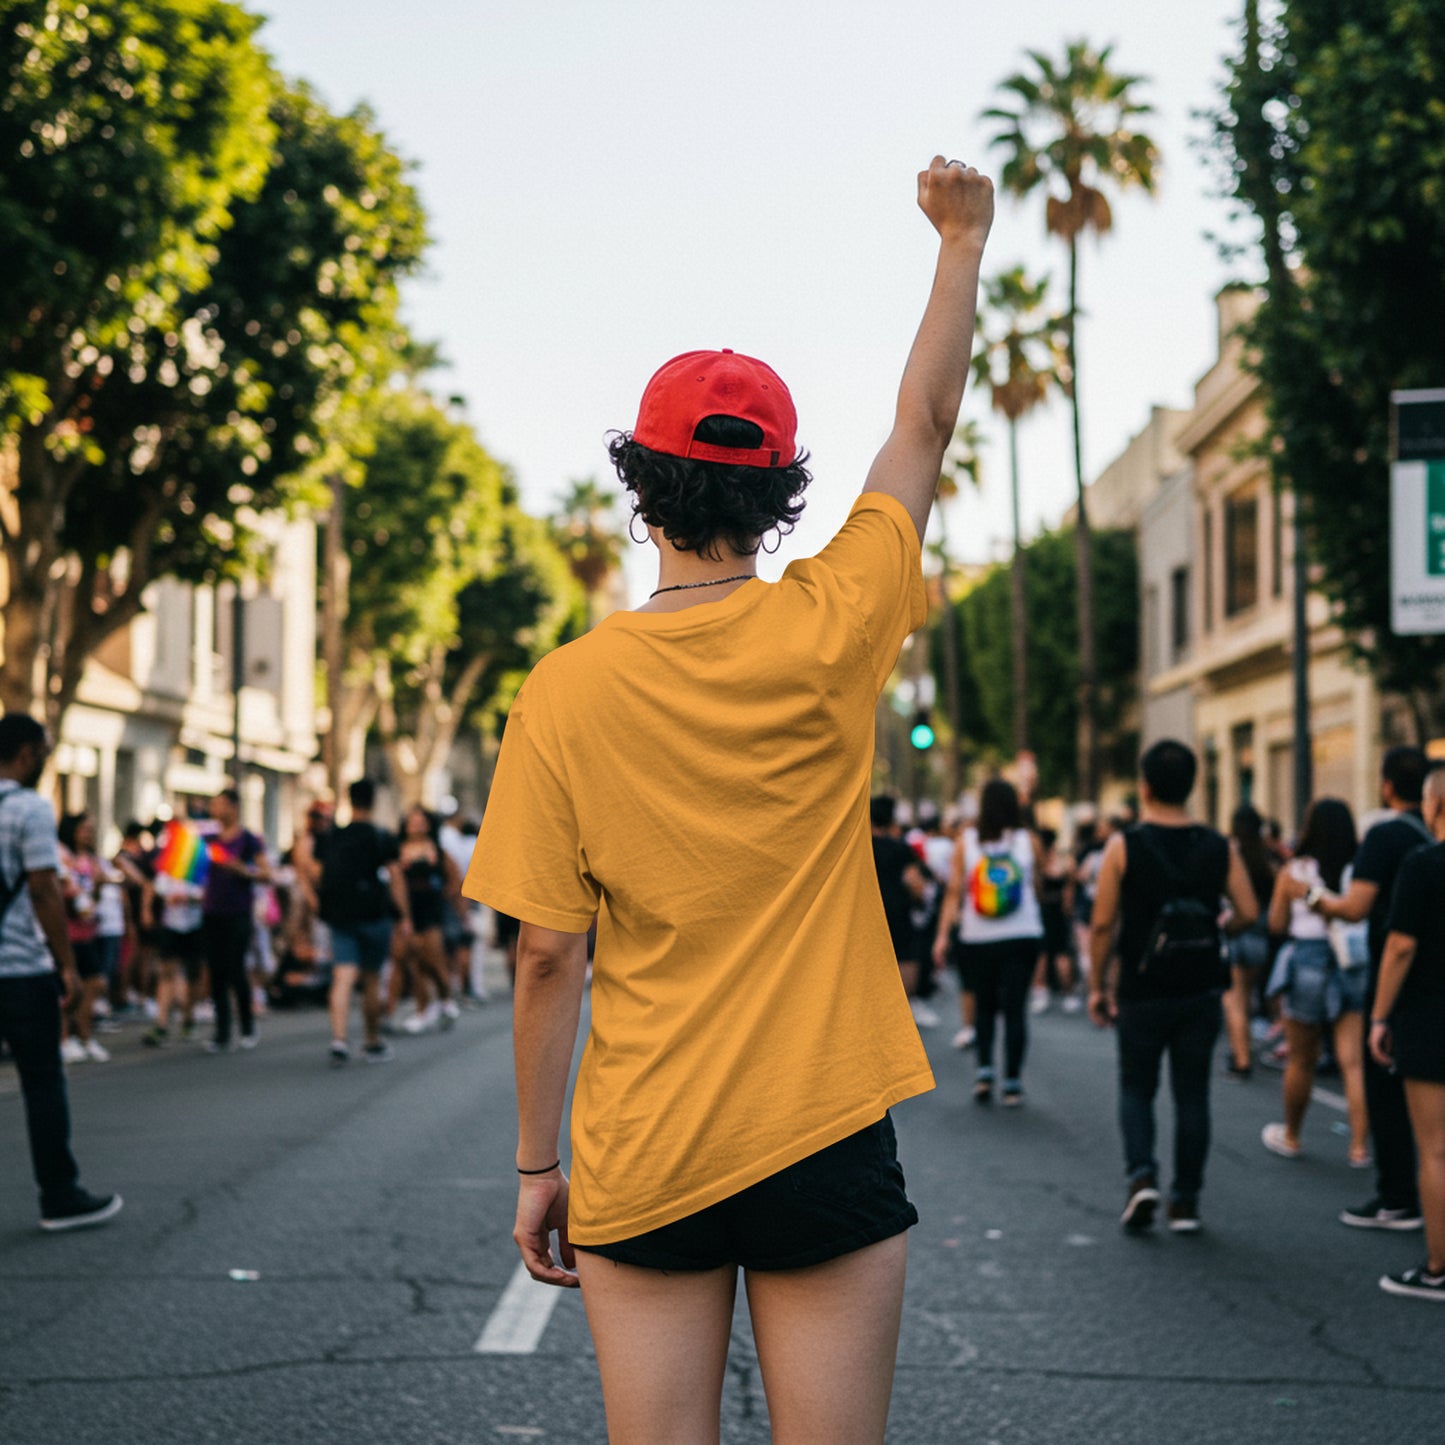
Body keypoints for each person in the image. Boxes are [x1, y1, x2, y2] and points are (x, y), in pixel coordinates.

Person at [463, 157, 992, 1442]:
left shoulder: (565, 690)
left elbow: (546, 954)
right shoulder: (835, 621)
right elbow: (919, 427)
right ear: (776, 492)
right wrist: (960, 241)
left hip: (648, 1147)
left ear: (640, 485)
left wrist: (540, 1165)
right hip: (820, 1125)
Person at [1088, 739, 1259, 1234]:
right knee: (1192, 1094)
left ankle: (1142, 1176)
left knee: (1136, 1087)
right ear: (1191, 786)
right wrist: (1213, 928)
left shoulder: (1124, 846)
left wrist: (1098, 985)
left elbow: (1102, 925)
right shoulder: (1218, 845)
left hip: (1142, 989)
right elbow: (1248, 911)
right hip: (1201, 987)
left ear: (1144, 787)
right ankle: (1186, 1201)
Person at [1296, 746, 1431, 1232]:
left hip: (1400, 974)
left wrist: (1309, 896)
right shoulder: (1430, 838)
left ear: (1388, 784)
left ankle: (1397, 1197)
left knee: (1388, 1086)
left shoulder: (1385, 835)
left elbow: (1356, 908)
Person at [0, 714, 122, 1230]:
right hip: (20, 969)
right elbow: (45, 889)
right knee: (43, 1082)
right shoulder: (29, 808)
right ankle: (60, 1193)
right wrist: (66, 965)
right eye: (45, 751)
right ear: (26, 754)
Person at [1259, 799, 1369, 1166]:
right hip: (1349, 961)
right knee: (1352, 1062)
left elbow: (1275, 925)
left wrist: (1287, 894)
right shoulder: (1357, 868)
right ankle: (1358, 1148)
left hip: (1306, 957)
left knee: (1301, 1059)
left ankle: (1291, 1135)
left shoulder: (1295, 870)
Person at [1370, 763, 1445, 1299]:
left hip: (1430, 1017)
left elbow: (1400, 946)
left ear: (1435, 806)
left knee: (1436, 1150)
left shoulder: (1423, 865)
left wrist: (1378, 1016)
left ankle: (1439, 1268)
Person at [934, 778, 1044, 1105]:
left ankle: (984, 1071)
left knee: (984, 1005)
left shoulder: (966, 841)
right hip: (1023, 934)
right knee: (1015, 1009)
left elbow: (954, 892)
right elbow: (1036, 887)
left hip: (977, 935)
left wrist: (941, 936)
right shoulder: (1029, 841)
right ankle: (1012, 1082)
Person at [314, 778, 411, 1065]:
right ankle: (372, 1040)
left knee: (343, 976)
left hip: (341, 914)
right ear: (374, 801)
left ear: (350, 800)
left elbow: (315, 871)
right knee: (371, 978)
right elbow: (395, 878)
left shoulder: (333, 836)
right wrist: (404, 917)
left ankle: (339, 1039)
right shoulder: (382, 837)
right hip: (374, 915)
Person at [200, 787, 268, 1053]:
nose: (214, 810)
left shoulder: (249, 839)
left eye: (219, 805)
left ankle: (248, 1025)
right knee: (216, 973)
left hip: (238, 913)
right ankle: (222, 1032)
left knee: (236, 970)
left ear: (233, 807)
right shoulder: (208, 838)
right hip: (211, 911)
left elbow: (266, 873)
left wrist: (242, 870)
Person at [1222, 805, 1277, 1078]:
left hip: (1236, 931)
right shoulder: (1267, 858)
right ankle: (1247, 1050)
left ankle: (1241, 1058)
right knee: (1251, 997)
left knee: (1235, 1001)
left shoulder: (1232, 855)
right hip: (1260, 935)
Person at [396, 805, 461, 1035]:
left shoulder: (437, 851)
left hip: (432, 911)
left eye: (420, 820)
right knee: (416, 962)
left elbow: (454, 877)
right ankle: (423, 1009)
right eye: (412, 820)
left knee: (433, 958)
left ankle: (445, 997)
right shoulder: (398, 850)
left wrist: (446, 896)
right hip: (408, 912)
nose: (416, 825)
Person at [871, 795, 934, 1028]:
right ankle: (903, 1008)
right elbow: (914, 881)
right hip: (899, 909)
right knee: (906, 956)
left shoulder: (860, 846)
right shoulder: (900, 848)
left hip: (871, 908)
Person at [57, 812, 108, 1063]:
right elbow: (64, 893)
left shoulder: (91, 859)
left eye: (91, 829)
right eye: (84, 829)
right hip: (68, 932)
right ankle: (65, 1039)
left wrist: (98, 886)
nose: (88, 833)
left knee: (94, 983)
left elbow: (92, 899)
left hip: (88, 930)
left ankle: (85, 1036)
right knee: (69, 987)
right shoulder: (63, 855)